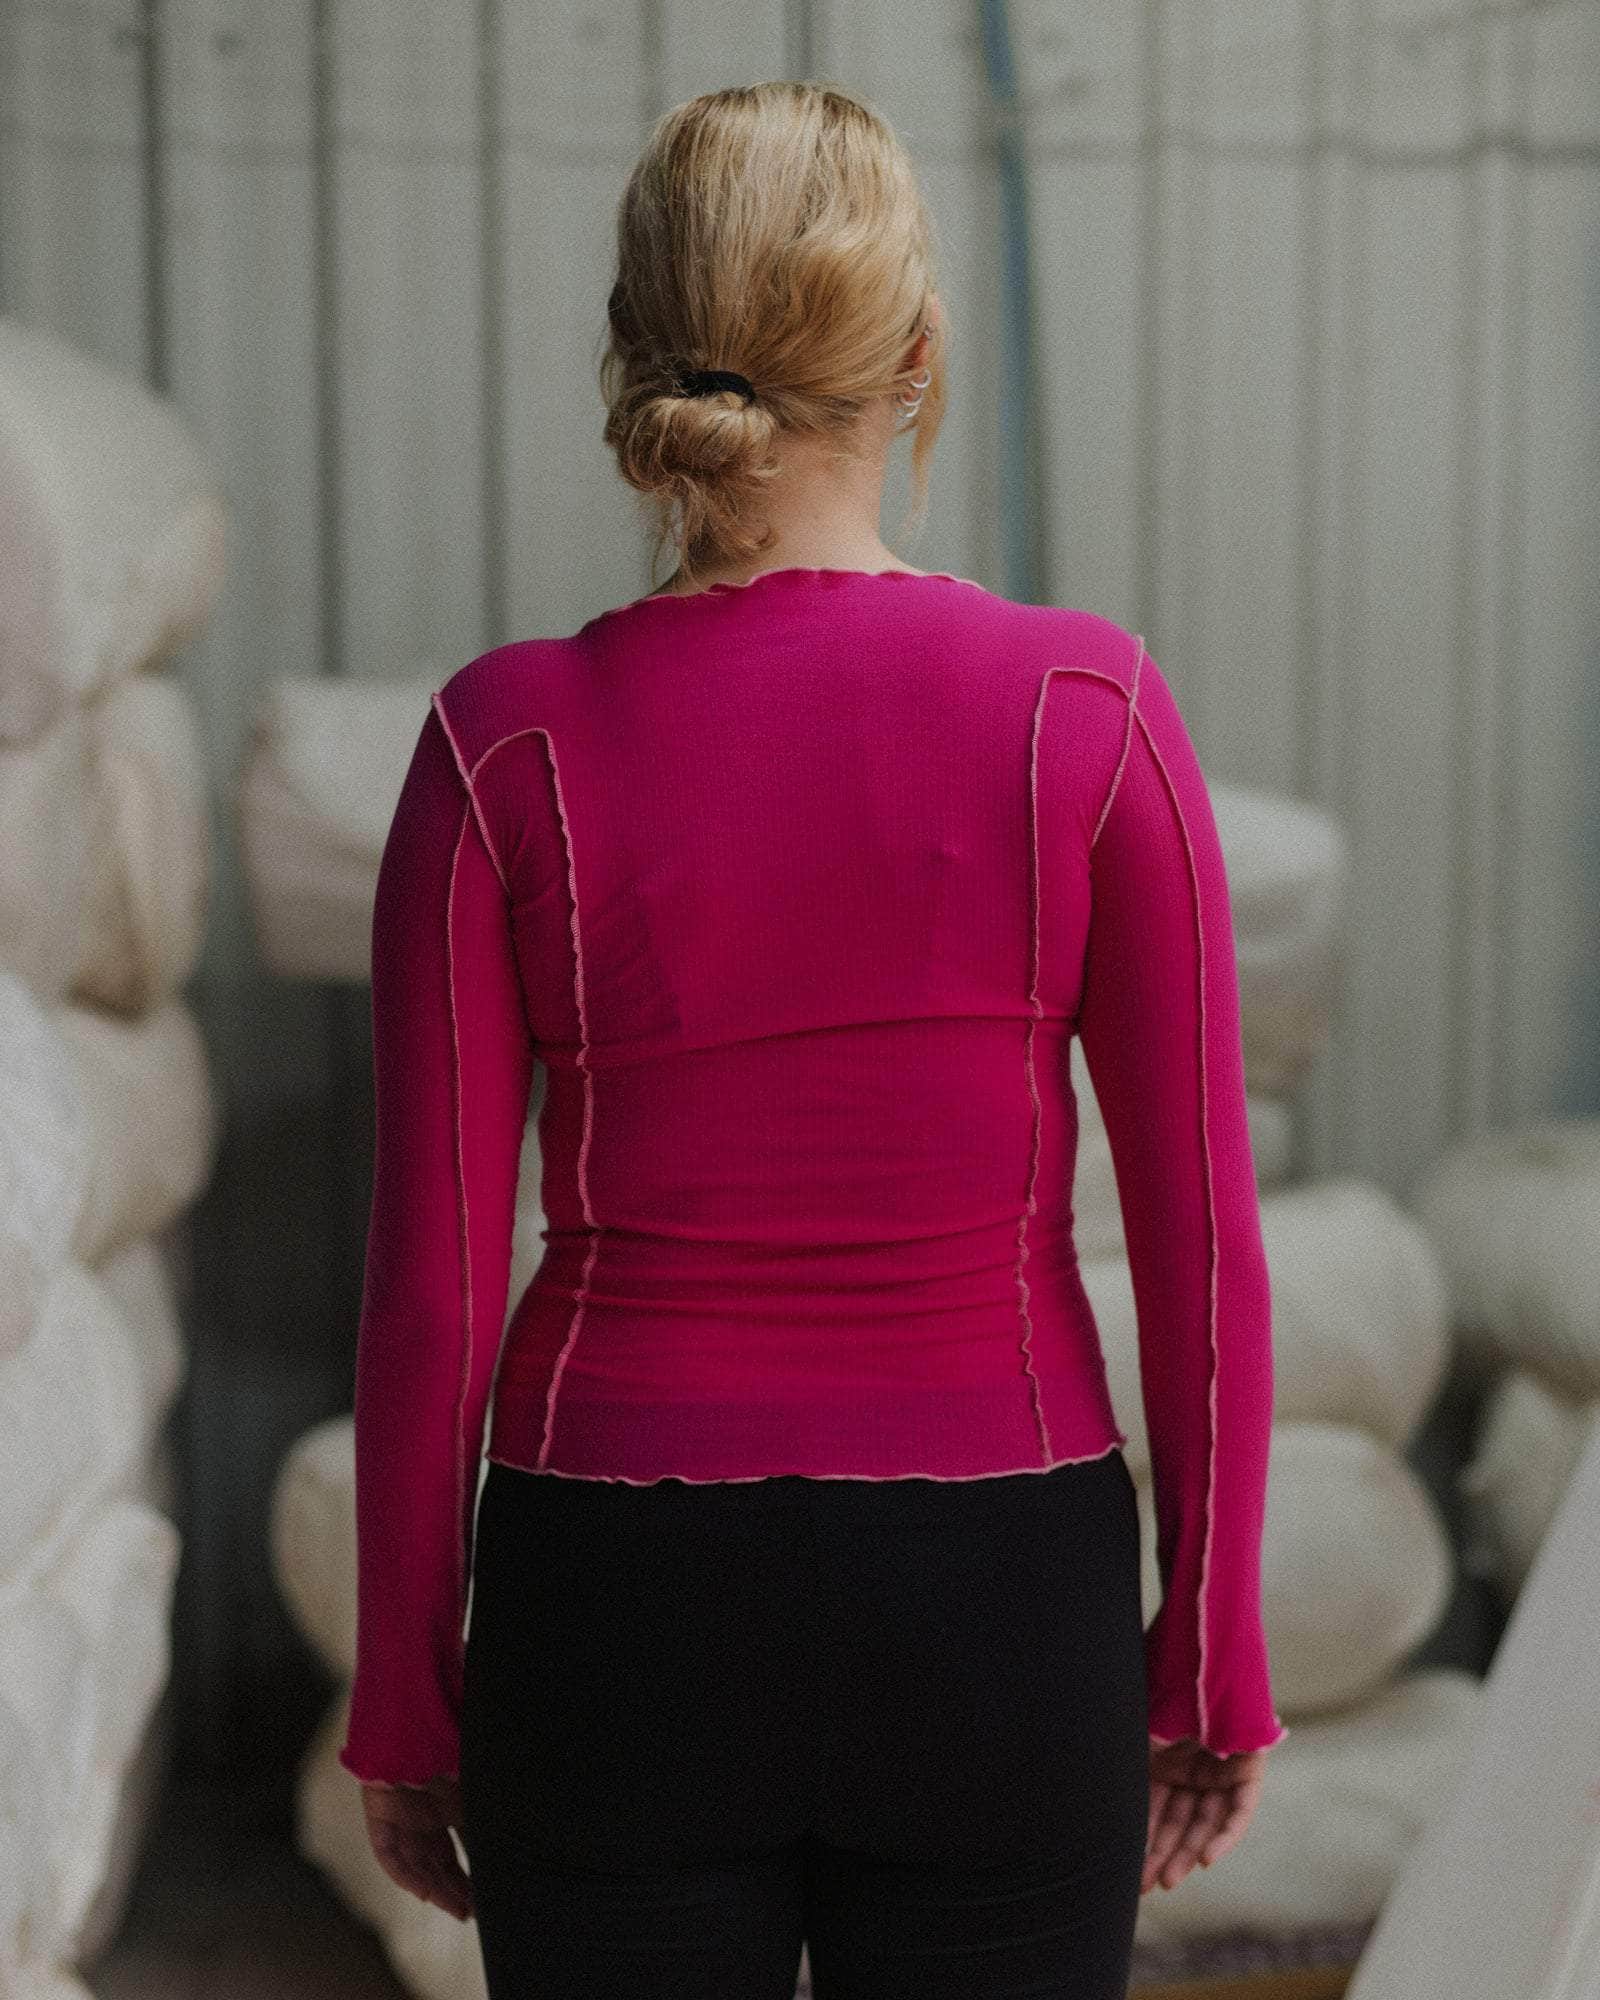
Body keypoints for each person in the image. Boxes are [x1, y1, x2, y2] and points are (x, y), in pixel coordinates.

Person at [338, 79, 1287, 2000]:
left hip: (613, 1609)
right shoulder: (1087, 713)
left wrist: (409, 1697)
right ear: (918, 357)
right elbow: (1202, 1251)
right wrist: (1209, 1661)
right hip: (1002, 1604)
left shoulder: (501, 747)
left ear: (634, 357)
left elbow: (432, 1285)